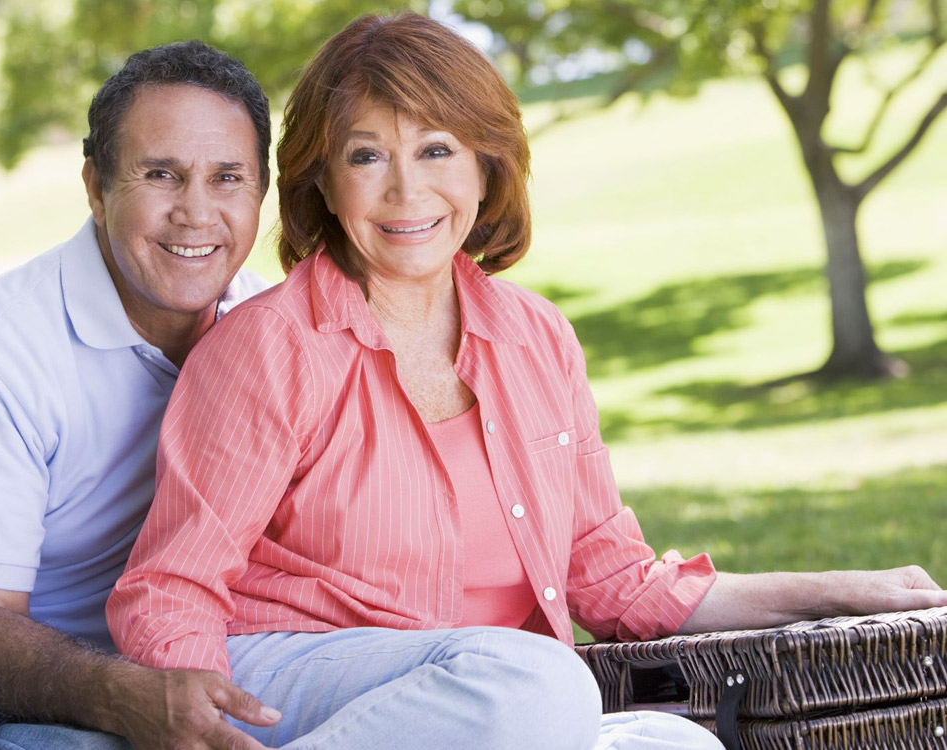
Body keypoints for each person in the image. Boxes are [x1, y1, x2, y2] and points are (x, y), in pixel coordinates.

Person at [107, 13, 947, 750]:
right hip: (298, 678)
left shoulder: (536, 335)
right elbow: (170, 589)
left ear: (485, 167)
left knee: (670, 744)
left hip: (483, 712)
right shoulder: (269, 347)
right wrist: (193, 727)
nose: (408, 191)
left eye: (437, 150)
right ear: (322, 178)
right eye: (367, 156)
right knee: (542, 682)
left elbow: (613, 582)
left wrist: (844, 592)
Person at [0, 41, 285, 750]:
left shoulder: (271, 329)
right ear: (97, 188)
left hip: (242, 663)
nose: (196, 213)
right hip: (59, 699)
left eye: (228, 178)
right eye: (161, 174)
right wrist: (125, 697)